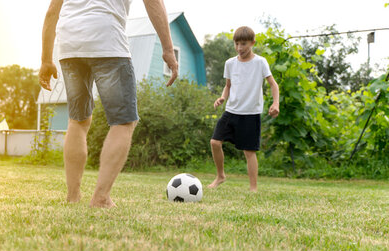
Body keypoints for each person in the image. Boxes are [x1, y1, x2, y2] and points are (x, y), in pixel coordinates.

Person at [39, 0, 179, 208]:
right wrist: (168, 49)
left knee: (78, 120)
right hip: (107, 39)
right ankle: (101, 197)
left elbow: (52, 11)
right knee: (123, 122)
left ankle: (73, 196)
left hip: (70, 43)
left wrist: (46, 59)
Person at [208, 26, 280, 192]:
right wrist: (222, 97)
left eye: (244, 44)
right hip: (231, 111)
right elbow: (228, 86)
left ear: (252, 43)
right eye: (237, 44)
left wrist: (275, 104)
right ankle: (220, 176)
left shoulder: (260, 62)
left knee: (249, 152)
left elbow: (273, 84)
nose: (240, 48)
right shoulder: (230, 64)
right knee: (215, 142)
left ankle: (253, 188)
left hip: (251, 114)